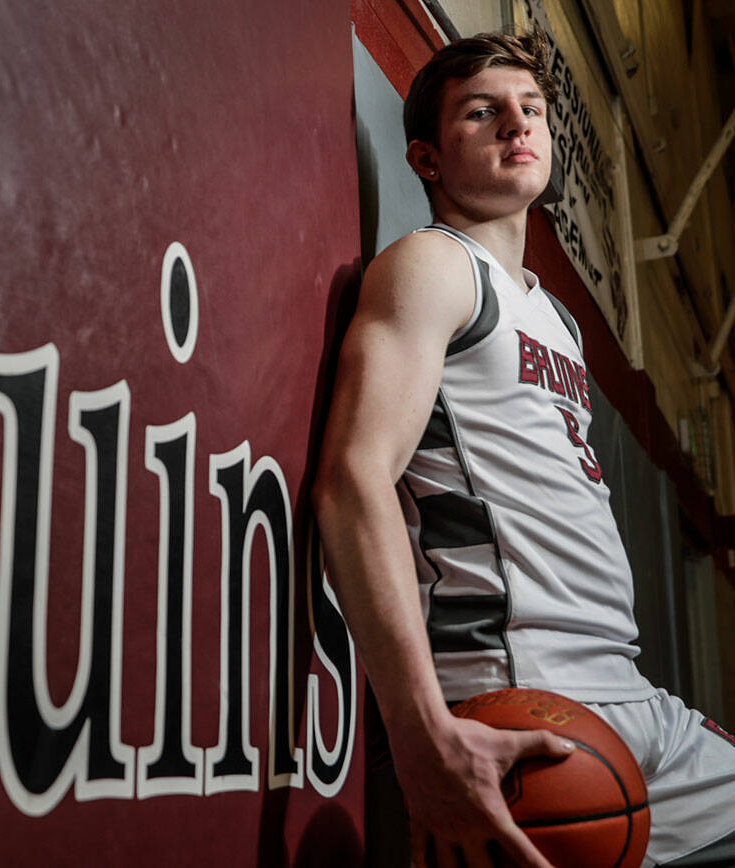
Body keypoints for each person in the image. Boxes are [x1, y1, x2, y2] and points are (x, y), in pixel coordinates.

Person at [311, 31, 735, 868]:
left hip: (634, 694)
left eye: (532, 108)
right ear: (428, 159)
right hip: (522, 696)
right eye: (484, 111)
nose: (519, 124)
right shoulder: (434, 267)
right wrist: (422, 727)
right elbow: (352, 481)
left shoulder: (558, 317)